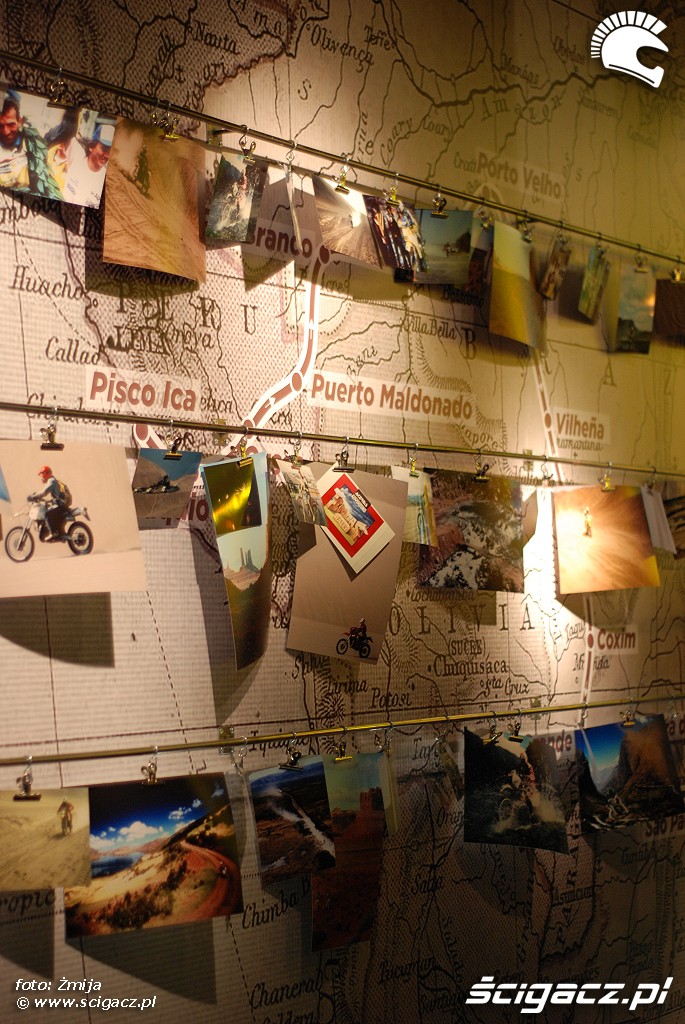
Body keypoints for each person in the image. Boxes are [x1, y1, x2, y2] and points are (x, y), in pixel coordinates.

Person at [0, 89, 61, 198]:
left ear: (19, 121)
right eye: (0, 126)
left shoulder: (33, 143)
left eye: (11, 124)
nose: (6, 131)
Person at [62, 122, 114, 208]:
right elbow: (65, 130)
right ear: (91, 147)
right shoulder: (77, 155)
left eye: (109, 151)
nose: (106, 155)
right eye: (104, 149)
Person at [28, 465, 69, 540]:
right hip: (59, 505)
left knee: (47, 514)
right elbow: (50, 494)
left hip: (60, 506)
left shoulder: (51, 481)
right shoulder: (51, 481)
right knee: (47, 510)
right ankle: (57, 531)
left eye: (42, 474)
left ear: (46, 473)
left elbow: (44, 492)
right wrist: (38, 496)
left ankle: (54, 533)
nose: (41, 477)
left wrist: (34, 496)